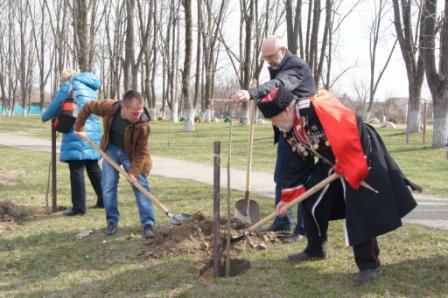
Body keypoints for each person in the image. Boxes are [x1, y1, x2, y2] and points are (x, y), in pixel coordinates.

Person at [256, 85, 420, 285]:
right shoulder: (288, 130)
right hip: (334, 161)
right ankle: (315, 249)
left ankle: (370, 265)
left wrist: (348, 159)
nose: (273, 123)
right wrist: (287, 200)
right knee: (308, 195)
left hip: (359, 151)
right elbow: (297, 165)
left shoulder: (315, 107)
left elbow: (352, 123)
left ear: (287, 110)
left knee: (359, 207)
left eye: (274, 118)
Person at [234, 35, 315, 242]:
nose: (268, 61)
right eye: (265, 58)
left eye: (271, 56)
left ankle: (302, 229)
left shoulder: (296, 67)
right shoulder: (277, 64)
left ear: (283, 50)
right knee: (281, 178)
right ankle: (281, 223)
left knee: (301, 181)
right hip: (287, 132)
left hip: (305, 132)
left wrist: (252, 93)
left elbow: (279, 85)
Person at [74, 90, 155, 239]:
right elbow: (87, 107)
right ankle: (112, 221)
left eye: (140, 112)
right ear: (124, 107)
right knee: (108, 186)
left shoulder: (142, 125)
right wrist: (79, 128)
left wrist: (133, 172)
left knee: (141, 185)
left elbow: (141, 153)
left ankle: (148, 223)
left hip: (131, 155)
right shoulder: (109, 107)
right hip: (110, 149)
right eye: (134, 113)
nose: (138, 116)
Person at [41, 70, 103, 216]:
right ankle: (104, 200)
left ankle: (79, 207)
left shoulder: (69, 84)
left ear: (65, 78)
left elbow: (54, 107)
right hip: (93, 131)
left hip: (77, 131)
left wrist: (44, 116)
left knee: (76, 168)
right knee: (93, 166)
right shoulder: (90, 87)